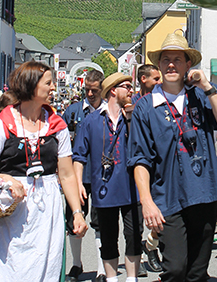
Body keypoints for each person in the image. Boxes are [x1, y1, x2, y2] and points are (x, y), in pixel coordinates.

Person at [128, 33, 217, 282]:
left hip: (204, 193)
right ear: (158, 65)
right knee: (175, 269)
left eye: (177, 59)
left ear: (188, 64)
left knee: (198, 273)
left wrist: (207, 87)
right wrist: (146, 201)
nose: (170, 65)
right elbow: (140, 159)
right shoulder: (146, 106)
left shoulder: (202, 95)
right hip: (167, 198)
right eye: (165, 59)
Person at [0, 61, 87, 281]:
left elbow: (65, 174)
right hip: (11, 206)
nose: (54, 87)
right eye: (48, 83)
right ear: (31, 85)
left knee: (45, 263)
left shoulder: (57, 126)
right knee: (8, 265)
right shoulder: (2, 125)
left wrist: (76, 212)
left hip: (47, 207)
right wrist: (7, 180)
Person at [74, 73, 142, 282]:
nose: (131, 90)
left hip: (132, 187)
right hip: (104, 187)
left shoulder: (134, 118)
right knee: (108, 237)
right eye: (127, 87)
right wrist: (78, 184)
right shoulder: (92, 121)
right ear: (113, 90)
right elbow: (79, 155)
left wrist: (131, 121)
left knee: (133, 236)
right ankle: (111, 279)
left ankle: (132, 278)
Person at [63, 69, 107, 282]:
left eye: (94, 91)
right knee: (73, 219)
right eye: (87, 90)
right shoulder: (72, 111)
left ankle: (101, 268)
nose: (90, 94)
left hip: (102, 176)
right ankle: (76, 264)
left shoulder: (109, 112)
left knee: (101, 222)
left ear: (102, 89)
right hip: (76, 175)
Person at [132, 64, 163, 273]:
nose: (159, 82)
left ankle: (151, 245)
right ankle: (136, 258)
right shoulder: (134, 103)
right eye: (155, 78)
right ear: (144, 79)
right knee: (134, 218)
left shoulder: (161, 101)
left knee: (162, 215)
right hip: (136, 164)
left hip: (157, 166)